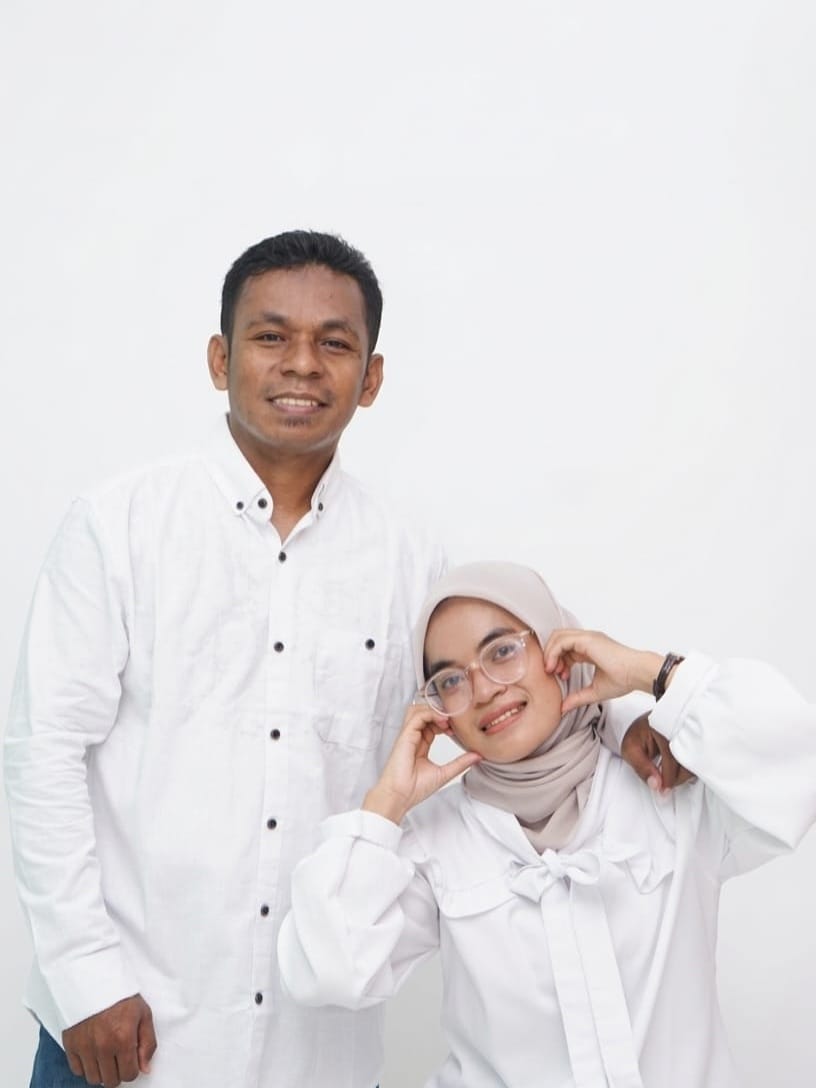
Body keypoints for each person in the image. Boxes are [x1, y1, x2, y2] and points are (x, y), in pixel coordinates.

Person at [4, 230, 675, 1088]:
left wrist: (628, 723)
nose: (302, 364)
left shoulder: (409, 555)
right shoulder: (119, 526)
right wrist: (85, 975)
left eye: (334, 343)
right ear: (219, 359)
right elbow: (44, 753)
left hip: (314, 1048)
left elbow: (509, 675)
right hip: (127, 1028)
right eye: (270, 336)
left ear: (372, 377)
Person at [278, 560, 816, 1088]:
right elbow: (330, 971)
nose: (483, 690)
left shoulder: (667, 780)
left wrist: (653, 674)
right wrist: (387, 804)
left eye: (502, 651)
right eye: (450, 680)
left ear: (561, 651)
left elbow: (797, 763)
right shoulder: (434, 840)